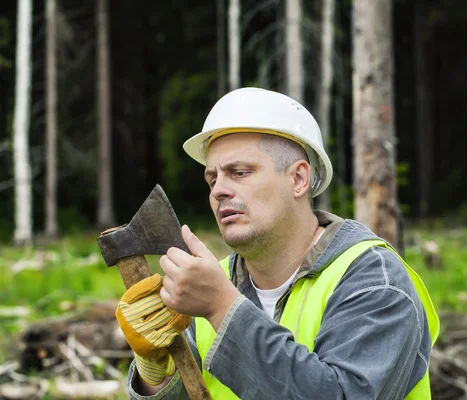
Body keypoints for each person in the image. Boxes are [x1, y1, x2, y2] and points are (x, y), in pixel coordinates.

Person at [115, 87, 439, 399]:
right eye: (212, 179)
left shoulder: (374, 282)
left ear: (298, 179)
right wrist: (154, 374)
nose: (218, 191)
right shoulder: (209, 284)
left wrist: (221, 308)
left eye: (239, 172)